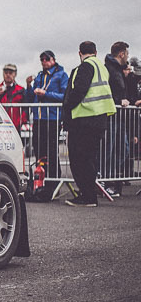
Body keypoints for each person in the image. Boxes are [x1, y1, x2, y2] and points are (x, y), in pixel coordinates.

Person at [62, 41, 115, 206]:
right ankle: (89, 194)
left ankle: (87, 196)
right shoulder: (102, 67)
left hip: (84, 119)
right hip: (99, 118)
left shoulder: (85, 67)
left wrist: (68, 108)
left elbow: (79, 90)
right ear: (96, 52)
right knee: (89, 158)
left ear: (80, 53)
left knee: (79, 159)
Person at [25, 50, 68, 187]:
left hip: (52, 119)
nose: (44, 62)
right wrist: (29, 86)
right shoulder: (39, 76)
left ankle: (54, 180)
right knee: (38, 150)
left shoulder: (61, 75)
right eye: (42, 59)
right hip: (38, 119)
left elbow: (65, 96)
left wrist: (46, 94)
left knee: (51, 150)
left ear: (53, 60)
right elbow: (31, 98)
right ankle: (40, 181)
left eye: (47, 59)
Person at [101, 42, 130, 195]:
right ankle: (105, 181)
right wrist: (119, 101)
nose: (127, 57)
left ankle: (108, 178)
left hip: (120, 116)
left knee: (122, 149)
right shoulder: (109, 69)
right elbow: (107, 92)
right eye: (127, 54)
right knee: (109, 150)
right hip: (111, 115)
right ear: (121, 54)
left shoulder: (118, 70)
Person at [0, 63, 26, 132]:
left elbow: (25, 109)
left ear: (15, 74)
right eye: (6, 72)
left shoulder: (21, 90)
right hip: (0, 126)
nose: (8, 75)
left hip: (15, 127)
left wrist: (20, 121)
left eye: (10, 73)